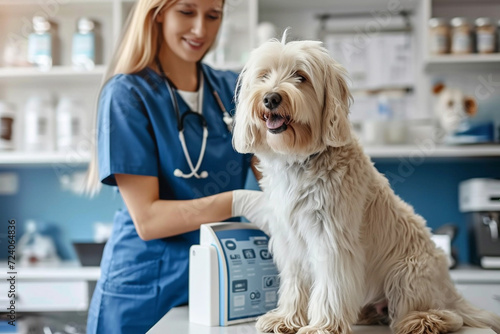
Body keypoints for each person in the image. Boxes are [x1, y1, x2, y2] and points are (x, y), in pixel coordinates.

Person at [84, 0, 263, 332]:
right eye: (186, 12)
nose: (200, 30)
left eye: (213, 16)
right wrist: (240, 201)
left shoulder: (235, 90)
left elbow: (275, 179)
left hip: (221, 282)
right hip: (145, 288)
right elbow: (148, 221)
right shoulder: (127, 94)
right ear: (158, 13)